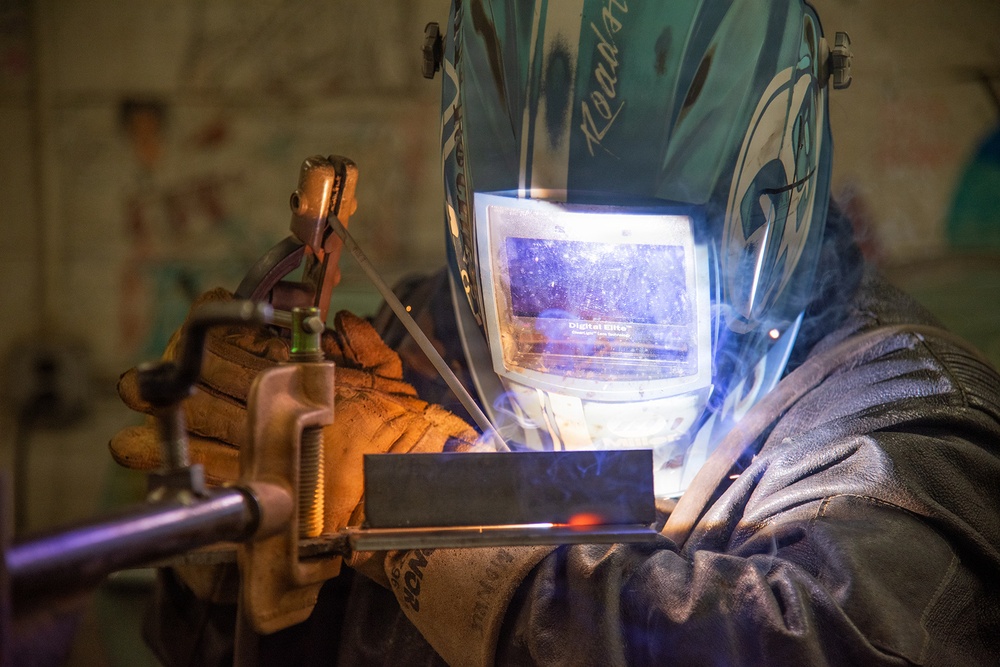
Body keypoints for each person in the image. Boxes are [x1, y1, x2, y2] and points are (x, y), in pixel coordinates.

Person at [110, 1, 1000, 664]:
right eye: (539, 275)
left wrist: (418, 497)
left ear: (761, 222)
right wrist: (227, 556)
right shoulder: (414, 354)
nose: (588, 331)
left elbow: (796, 642)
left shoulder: (902, 424)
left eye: (634, 280)